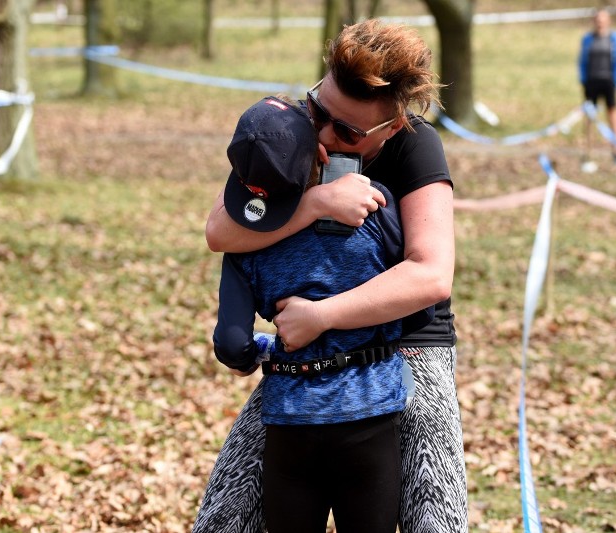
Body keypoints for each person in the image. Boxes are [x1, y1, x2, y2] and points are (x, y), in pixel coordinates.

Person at [194, 19, 468, 533]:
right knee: (225, 516)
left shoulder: (416, 146)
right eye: (319, 109)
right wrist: (317, 201)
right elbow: (220, 232)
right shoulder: (284, 129)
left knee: (433, 513)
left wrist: (321, 316)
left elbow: (431, 275)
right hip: (305, 354)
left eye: (345, 131)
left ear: (392, 127)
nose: (321, 134)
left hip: (407, 341)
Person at [214, 94, 434, 533]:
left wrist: (258, 349)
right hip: (370, 415)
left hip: (290, 425)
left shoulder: (245, 246)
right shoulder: (375, 207)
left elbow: (231, 344)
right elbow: (413, 300)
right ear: (321, 151)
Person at [578, 7, 616, 166]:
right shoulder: (587, 39)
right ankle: (588, 152)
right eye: (597, 19)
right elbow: (582, 61)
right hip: (591, 82)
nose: (600, 22)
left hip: (609, 82)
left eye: (602, 19)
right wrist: (583, 80)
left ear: (608, 20)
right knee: (590, 118)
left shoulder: (615, 39)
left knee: (612, 115)